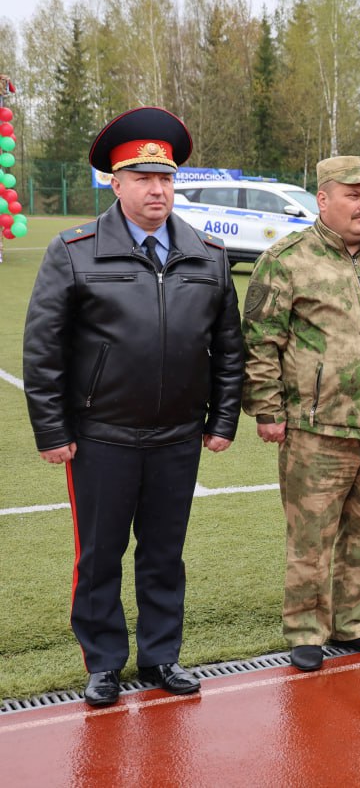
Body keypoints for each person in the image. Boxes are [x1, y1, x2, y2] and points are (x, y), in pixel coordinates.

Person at [22, 107, 243, 706]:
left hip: (177, 437)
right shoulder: (74, 251)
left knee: (165, 555)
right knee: (99, 557)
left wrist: (222, 419)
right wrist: (52, 431)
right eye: (143, 178)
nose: (157, 190)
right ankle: (103, 663)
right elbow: (44, 349)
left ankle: (161, 656)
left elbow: (228, 347)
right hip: (101, 436)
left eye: (165, 178)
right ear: (115, 184)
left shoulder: (207, 254)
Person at [241, 155, 360, 672]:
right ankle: (306, 629)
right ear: (322, 199)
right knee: (311, 537)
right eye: (353, 194)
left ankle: (354, 623)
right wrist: (267, 409)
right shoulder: (287, 260)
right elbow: (260, 342)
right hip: (317, 429)